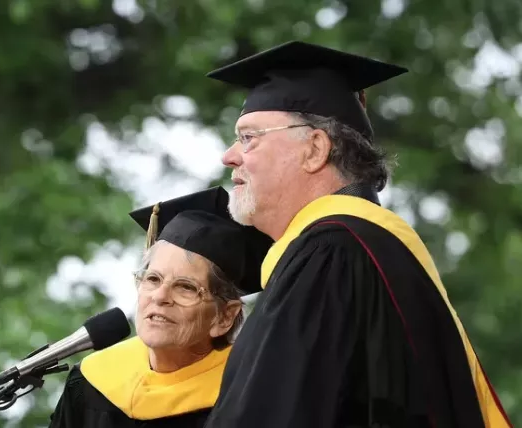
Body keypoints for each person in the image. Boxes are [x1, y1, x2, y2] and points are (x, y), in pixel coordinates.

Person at [202, 41, 512, 427]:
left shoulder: (332, 254)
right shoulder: (364, 250)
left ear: (314, 149)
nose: (229, 156)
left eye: (249, 137)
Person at [48, 186, 273, 428]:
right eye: (153, 279)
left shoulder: (250, 396)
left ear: (224, 317)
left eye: (186, 287)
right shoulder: (92, 382)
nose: (161, 296)